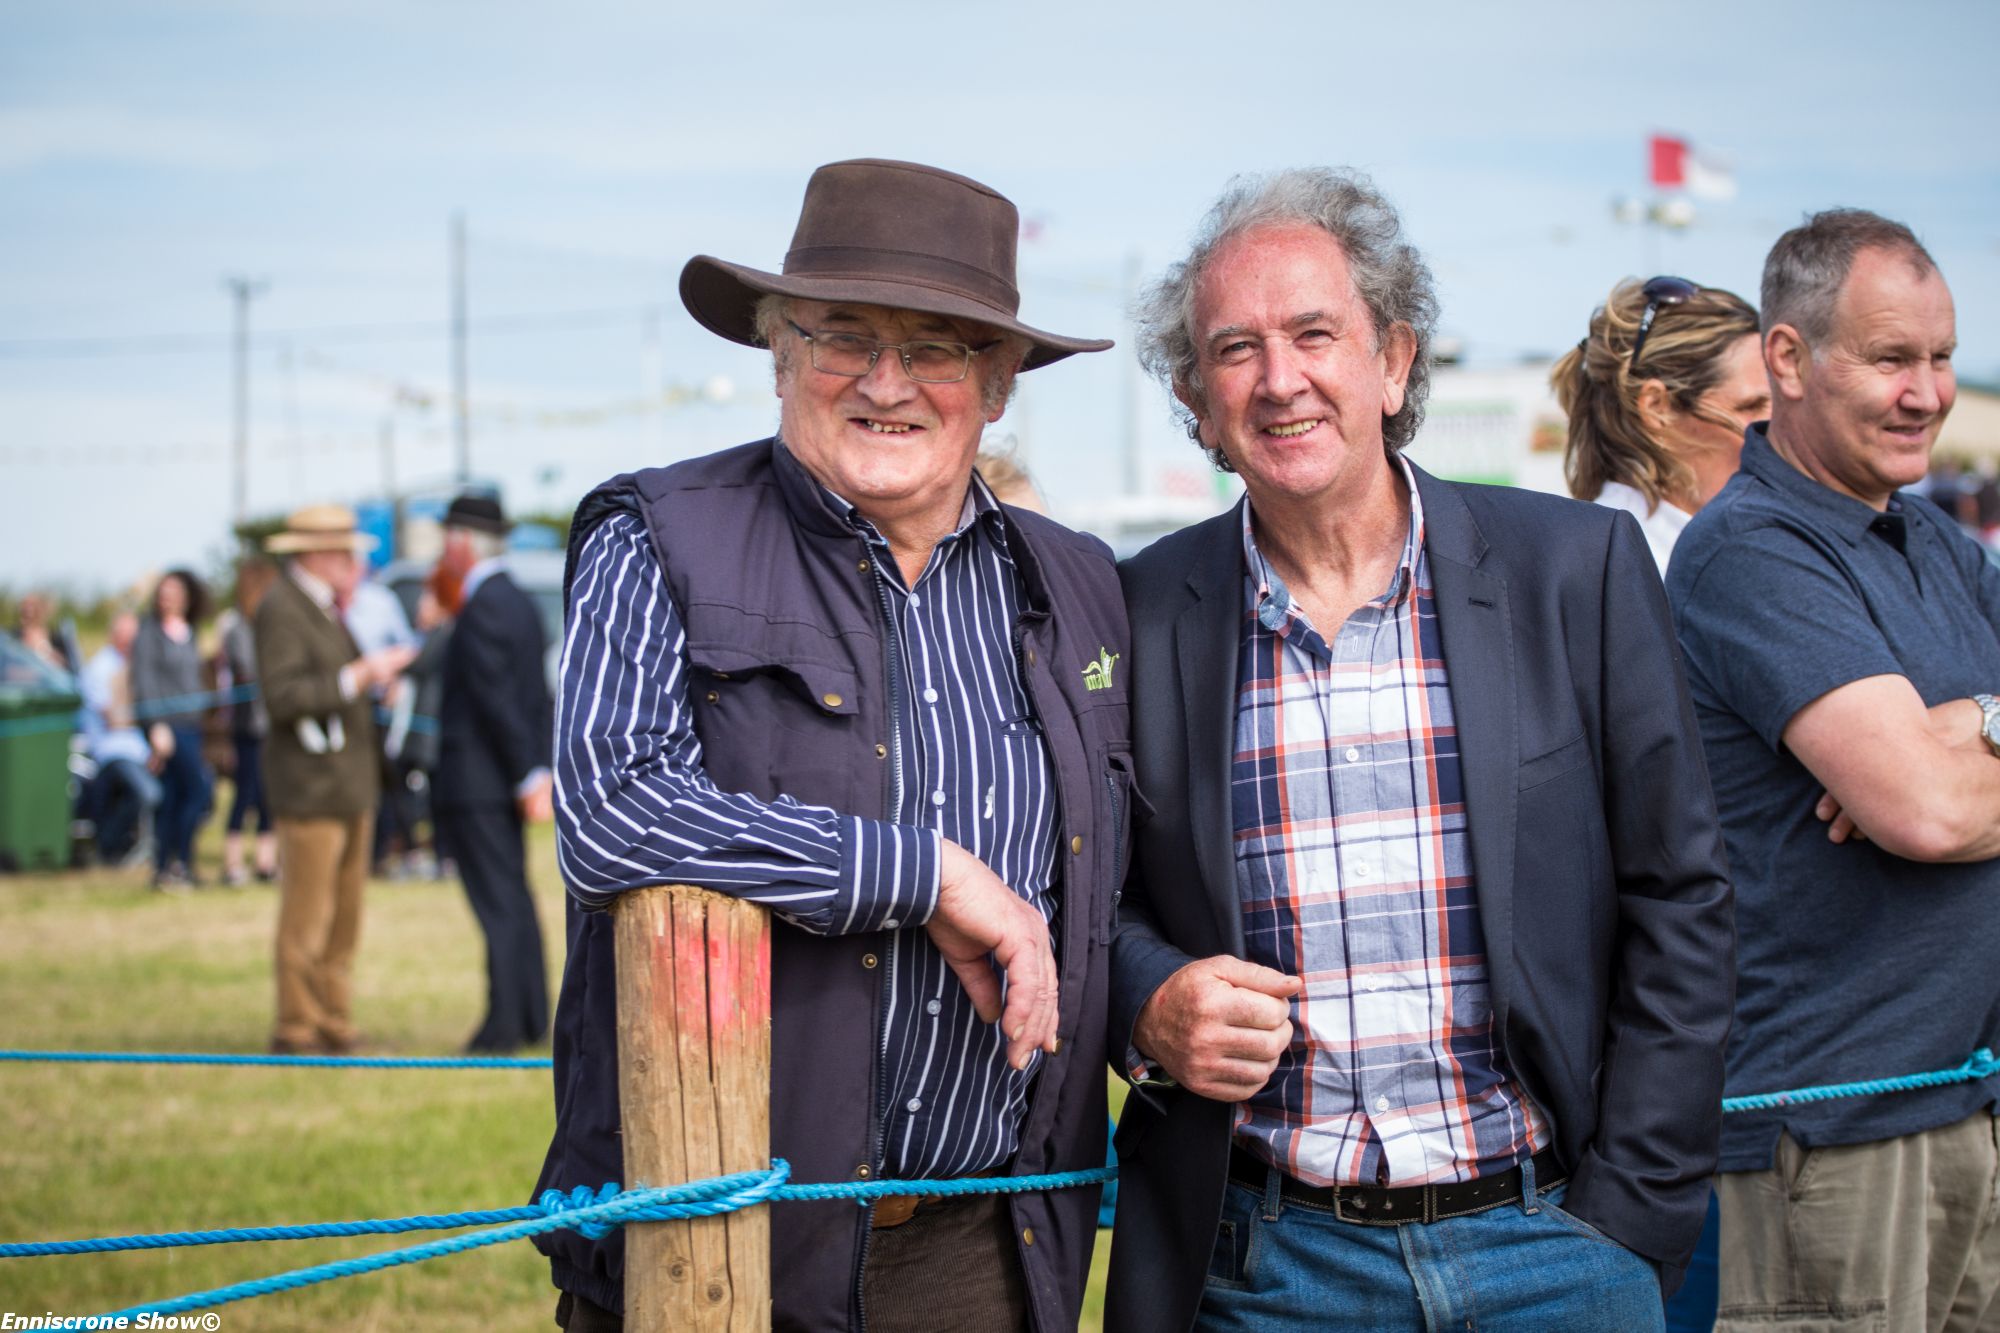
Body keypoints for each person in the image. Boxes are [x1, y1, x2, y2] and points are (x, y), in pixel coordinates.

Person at [1106, 167, 1735, 1333]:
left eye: (1313, 334)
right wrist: (1148, 1000)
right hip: (1267, 1270)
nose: (1279, 379)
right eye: (1235, 349)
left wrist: (1627, 1221)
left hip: (1556, 1247)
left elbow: (1679, 896)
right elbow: (1094, 895)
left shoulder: (1574, 569)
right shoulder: (1136, 613)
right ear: (1196, 400)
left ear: (1392, 360)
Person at [533, 157, 1126, 1333]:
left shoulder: (1078, 584)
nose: (884, 382)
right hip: (711, 1244)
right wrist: (924, 875)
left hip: (985, 1250)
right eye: (843, 336)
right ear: (777, 352)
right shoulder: (654, 536)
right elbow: (610, 813)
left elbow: (1124, 877)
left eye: (934, 349)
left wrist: (1158, 1002)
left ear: (996, 383)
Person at [1667, 209, 2000, 1331]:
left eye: (1941, 358)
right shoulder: (1751, 549)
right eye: (1890, 358)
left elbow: (1936, 792)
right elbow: (1924, 810)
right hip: (1831, 1133)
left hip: (1967, 1100)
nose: (1926, 393)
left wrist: (1971, 724)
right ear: (1788, 358)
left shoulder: (1931, 540)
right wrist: (1926, 767)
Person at [1552, 274, 1768, 1330]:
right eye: (1756, 417)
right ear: (1656, 408)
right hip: (1657, 1057)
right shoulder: (1618, 566)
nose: (1776, 444)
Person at [255, 505, 415, 1055]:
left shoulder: (323, 606)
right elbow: (283, 696)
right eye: (345, 552)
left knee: (345, 914)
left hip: (347, 783)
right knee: (307, 913)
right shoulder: (281, 608)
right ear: (316, 555)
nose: (353, 562)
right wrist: (358, 675)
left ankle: (333, 1015)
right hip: (310, 787)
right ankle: (297, 1023)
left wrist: (373, 682)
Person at [431, 492, 554, 1053]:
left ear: (462, 542)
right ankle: (529, 1014)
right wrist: (535, 767)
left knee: (497, 902)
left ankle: (504, 1023)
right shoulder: (519, 600)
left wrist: (527, 772)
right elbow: (537, 694)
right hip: (503, 774)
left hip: (478, 780)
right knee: (514, 895)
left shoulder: (482, 604)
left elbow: (495, 699)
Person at [1552, 276, 1769, 574]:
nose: (1773, 427)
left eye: (1780, 403)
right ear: (1657, 407)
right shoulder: (1616, 563)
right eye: (1750, 407)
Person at [130, 569, 214, 890]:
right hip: (168, 727)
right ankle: (177, 861)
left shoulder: (190, 632)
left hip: (192, 725)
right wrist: (156, 726)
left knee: (176, 795)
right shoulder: (149, 633)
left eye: (174, 592)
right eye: (163, 593)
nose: (168, 598)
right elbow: (145, 682)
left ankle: (169, 866)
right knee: (198, 791)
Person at [76, 609, 162, 867]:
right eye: (127, 636)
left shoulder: (138, 665)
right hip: (112, 752)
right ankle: (109, 845)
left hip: (140, 748)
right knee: (149, 793)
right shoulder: (100, 668)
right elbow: (114, 718)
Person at [216, 558, 279, 885]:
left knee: (269, 796)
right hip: (248, 727)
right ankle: (233, 863)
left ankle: (266, 862)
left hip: (273, 726)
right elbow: (247, 668)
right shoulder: (236, 627)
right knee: (245, 793)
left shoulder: (269, 627)